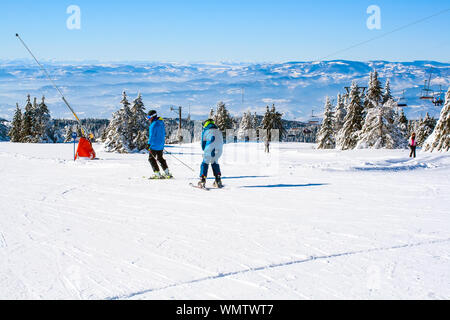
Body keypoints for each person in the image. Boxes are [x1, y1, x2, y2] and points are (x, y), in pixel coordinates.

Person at [199, 119, 224, 188]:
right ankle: (218, 179)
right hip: (219, 149)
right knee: (214, 162)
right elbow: (222, 141)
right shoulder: (218, 131)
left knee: (205, 162)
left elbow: (203, 143)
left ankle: (202, 180)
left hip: (209, 148)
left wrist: (205, 150)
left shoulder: (205, 131)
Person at [147, 110, 172, 179]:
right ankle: (167, 173)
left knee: (151, 159)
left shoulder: (153, 124)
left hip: (154, 145)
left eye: (149, 117)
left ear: (153, 116)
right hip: (160, 145)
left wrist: (148, 144)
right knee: (160, 158)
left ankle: (157, 173)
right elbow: (163, 134)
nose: (148, 118)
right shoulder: (161, 123)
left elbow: (151, 136)